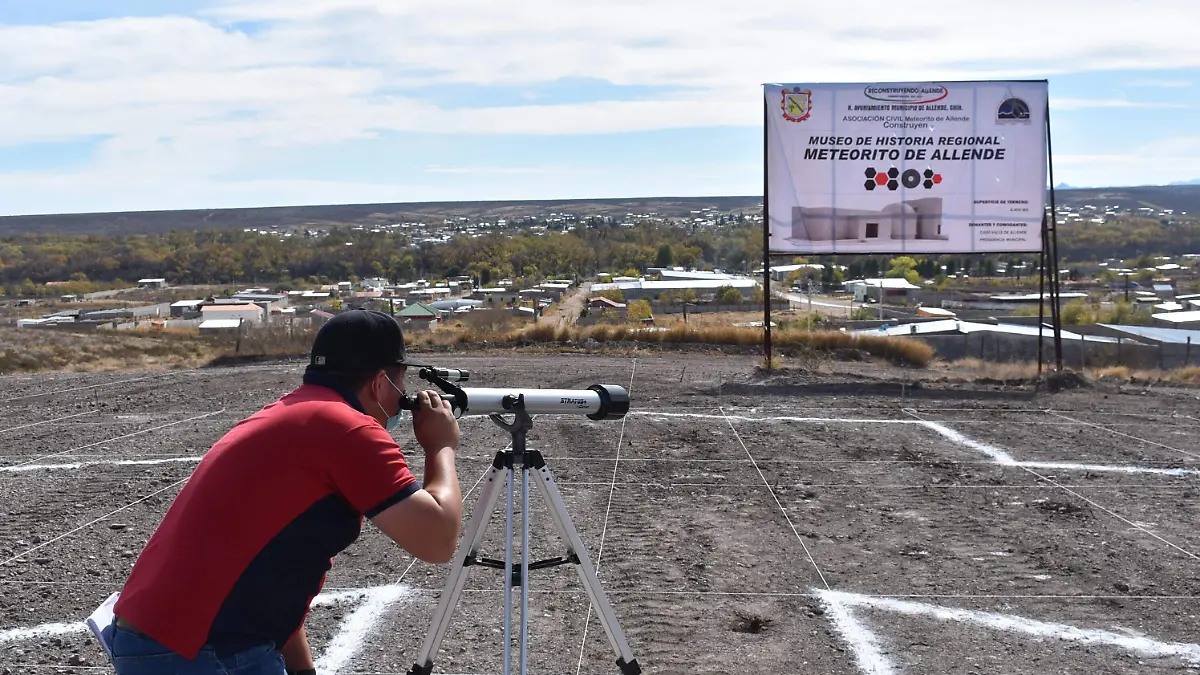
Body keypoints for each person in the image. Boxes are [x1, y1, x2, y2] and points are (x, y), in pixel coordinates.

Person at [107, 309, 463, 675]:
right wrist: (441, 445)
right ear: (380, 382)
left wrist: (302, 670)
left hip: (159, 637)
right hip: (200, 649)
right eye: (401, 384)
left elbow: (271, 560)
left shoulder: (292, 413)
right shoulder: (348, 429)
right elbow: (437, 541)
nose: (403, 396)